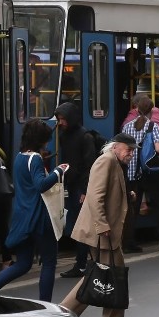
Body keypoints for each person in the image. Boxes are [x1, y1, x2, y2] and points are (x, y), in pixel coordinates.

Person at [60, 133, 137, 317]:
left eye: (132, 150)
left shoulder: (114, 161)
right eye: (128, 150)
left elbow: (109, 190)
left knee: (100, 275)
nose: (131, 154)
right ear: (116, 147)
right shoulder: (106, 161)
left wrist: (126, 195)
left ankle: (64, 314)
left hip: (106, 231)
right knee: (114, 275)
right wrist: (102, 225)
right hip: (102, 231)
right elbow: (95, 196)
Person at [0, 118, 68, 302]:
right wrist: (58, 172)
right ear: (39, 140)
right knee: (49, 262)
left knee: (22, 264)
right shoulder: (36, 158)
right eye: (46, 139)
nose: (47, 143)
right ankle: (45, 304)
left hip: (22, 217)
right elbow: (41, 185)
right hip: (40, 218)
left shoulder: (19, 157)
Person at [121, 96, 159, 255]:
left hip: (131, 173)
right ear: (151, 111)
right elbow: (158, 149)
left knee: (131, 210)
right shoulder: (153, 126)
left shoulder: (127, 127)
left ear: (136, 109)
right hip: (149, 173)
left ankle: (128, 243)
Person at [54, 101, 97, 279]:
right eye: (59, 119)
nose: (60, 122)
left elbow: (89, 165)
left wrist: (86, 190)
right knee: (76, 226)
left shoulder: (84, 136)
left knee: (80, 227)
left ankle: (82, 264)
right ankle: (84, 263)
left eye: (63, 118)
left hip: (80, 187)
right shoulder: (64, 135)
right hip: (72, 186)